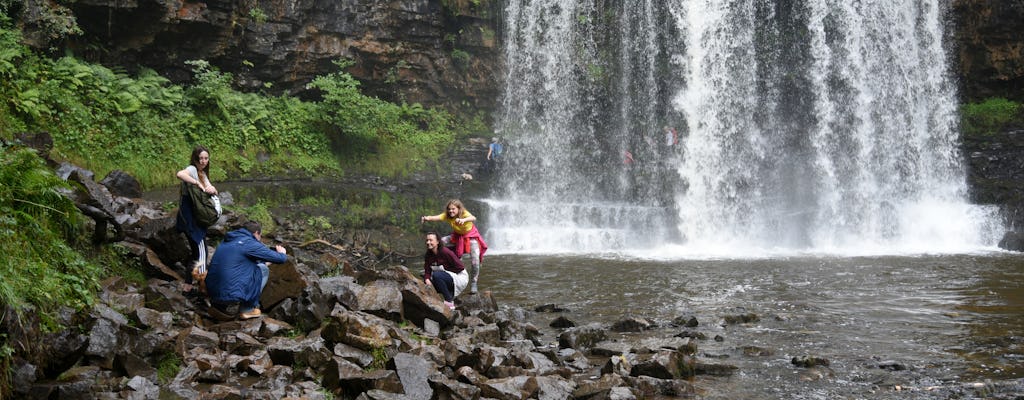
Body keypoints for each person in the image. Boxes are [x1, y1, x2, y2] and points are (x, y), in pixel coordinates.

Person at [205, 220, 288, 319]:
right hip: (231, 295)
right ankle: (247, 309)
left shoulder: (228, 240)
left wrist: (265, 262)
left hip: (212, 293)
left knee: (258, 266)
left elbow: (241, 263)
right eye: (260, 236)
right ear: (257, 233)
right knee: (263, 269)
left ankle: (220, 306)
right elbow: (280, 259)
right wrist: (282, 252)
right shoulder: (250, 243)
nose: (259, 239)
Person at [420, 199, 488, 294]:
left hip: (471, 237)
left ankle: (474, 283)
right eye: (449, 209)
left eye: (453, 209)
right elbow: (438, 217)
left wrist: (463, 220)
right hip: (457, 236)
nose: (450, 211)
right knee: (439, 242)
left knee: (475, 260)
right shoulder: (448, 215)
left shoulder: (464, 213)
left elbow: (473, 218)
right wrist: (427, 218)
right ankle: (433, 267)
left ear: (458, 209)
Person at [175, 145, 219, 291]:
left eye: (206, 158)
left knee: (197, 253)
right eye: (200, 158)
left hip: (196, 220)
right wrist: (196, 183)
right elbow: (180, 174)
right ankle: (202, 286)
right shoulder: (193, 170)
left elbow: (209, 188)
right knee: (202, 253)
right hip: (190, 221)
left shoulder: (203, 174)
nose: (203, 161)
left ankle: (188, 285)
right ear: (195, 158)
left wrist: (211, 189)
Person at [422, 231, 468, 310]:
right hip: (445, 277)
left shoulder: (445, 252)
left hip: (459, 276)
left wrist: (445, 271)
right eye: (427, 240)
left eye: (431, 240)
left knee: (437, 275)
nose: (428, 242)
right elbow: (427, 270)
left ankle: (449, 301)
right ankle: (436, 302)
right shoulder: (428, 255)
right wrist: (427, 279)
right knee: (426, 280)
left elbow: (460, 267)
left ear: (437, 242)